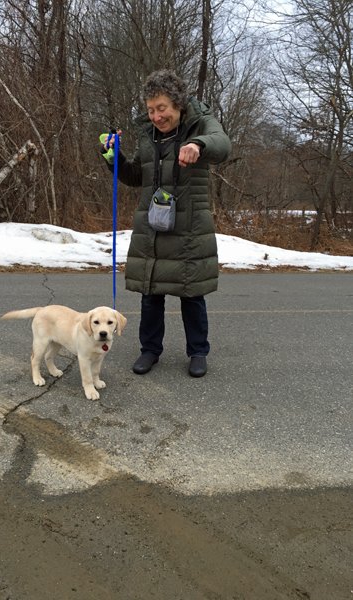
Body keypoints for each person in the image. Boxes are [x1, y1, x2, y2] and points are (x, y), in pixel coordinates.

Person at [100, 69, 231, 377]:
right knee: (151, 292)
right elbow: (135, 177)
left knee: (191, 293)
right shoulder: (148, 134)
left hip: (189, 225)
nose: (156, 116)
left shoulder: (201, 122)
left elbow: (222, 144)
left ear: (178, 104)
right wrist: (112, 157)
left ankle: (198, 352)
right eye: (150, 109)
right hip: (153, 224)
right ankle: (149, 350)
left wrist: (198, 144)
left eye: (162, 109)